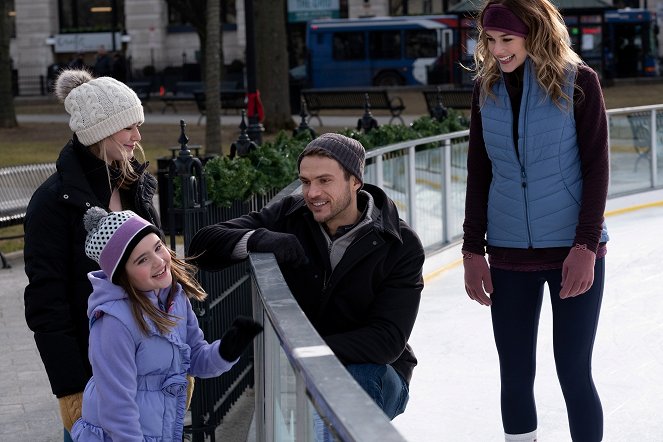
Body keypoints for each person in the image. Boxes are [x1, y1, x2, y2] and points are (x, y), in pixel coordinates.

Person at [187, 133, 425, 423]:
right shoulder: (291, 214)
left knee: (357, 377)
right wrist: (261, 239)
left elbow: (386, 341)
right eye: (305, 182)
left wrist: (302, 348)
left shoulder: (399, 242)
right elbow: (202, 246)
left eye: (325, 181)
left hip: (378, 374)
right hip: (310, 373)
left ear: (355, 181)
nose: (312, 193)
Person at [461, 1, 609, 441]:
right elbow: (479, 170)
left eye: (507, 39)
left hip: (572, 248)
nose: (496, 49)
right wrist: (472, 249)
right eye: (489, 39)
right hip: (507, 251)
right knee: (515, 371)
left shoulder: (579, 82)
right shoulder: (486, 87)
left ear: (535, 33)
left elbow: (597, 167)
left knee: (573, 370)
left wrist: (585, 247)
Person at [23, 68, 159, 442]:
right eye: (128, 127)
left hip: (149, 370)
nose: (138, 137)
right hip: (94, 378)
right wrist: (71, 390)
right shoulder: (51, 204)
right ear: (100, 130)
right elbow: (45, 301)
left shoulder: (136, 187)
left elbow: (161, 269)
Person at [69, 207, 262, 440]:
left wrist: (226, 350)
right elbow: (117, 409)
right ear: (123, 274)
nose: (159, 261)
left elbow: (195, 358)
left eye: (158, 247)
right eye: (142, 259)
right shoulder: (113, 323)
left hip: (160, 429)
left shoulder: (174, 297)